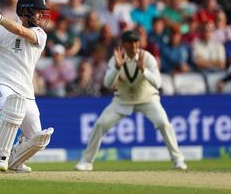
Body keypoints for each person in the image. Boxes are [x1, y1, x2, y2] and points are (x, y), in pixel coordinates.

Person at [75, 30, 187, 171]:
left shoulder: (148, 58)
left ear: (139, 43)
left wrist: (144, 70)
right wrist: (117, 68)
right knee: (100, 124)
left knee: (164, 123)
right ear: (124, 44)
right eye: (130, 42)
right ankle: (86, 161)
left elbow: (158, 83)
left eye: (135, 42)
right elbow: (108, 83)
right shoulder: (116, 58)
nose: (133, 45)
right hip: (123, 100)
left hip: (147, 99)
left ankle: (178, 160)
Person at [0, 0, 54, 173]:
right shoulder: (1, 29)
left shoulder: (40, 33)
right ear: (25, 11)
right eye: (38, 12)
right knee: (12, 110)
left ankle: (14, 161)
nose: (41, 16)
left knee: (38, 138)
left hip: (25, 91)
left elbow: (20, 31)